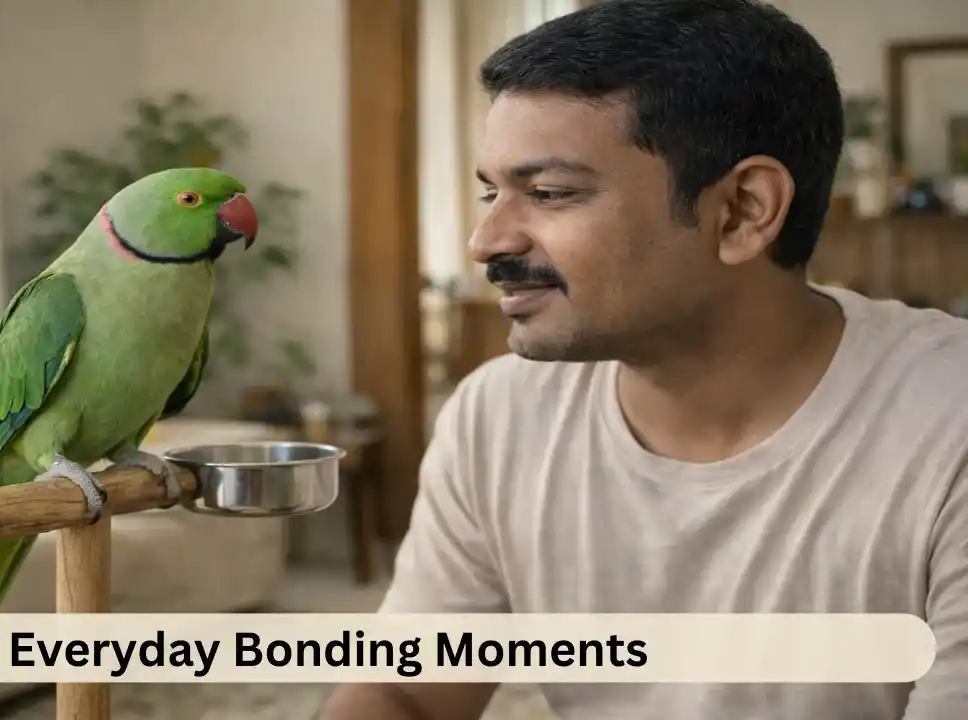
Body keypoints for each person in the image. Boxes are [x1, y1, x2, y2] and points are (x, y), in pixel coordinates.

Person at [318, 0, 968, 718]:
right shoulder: (498, 414)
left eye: (549, 193)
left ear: (743, 211)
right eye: (490, 192)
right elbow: (406, 691)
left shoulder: (946, 425)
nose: (487, 240)